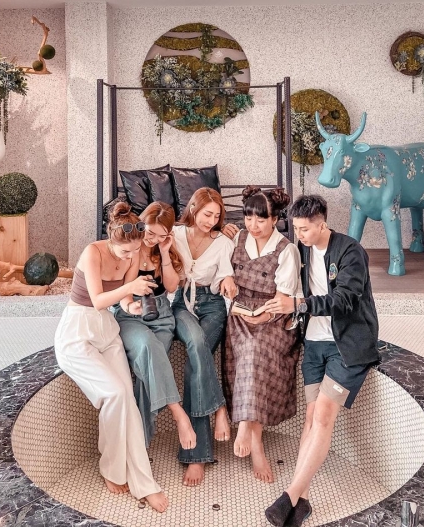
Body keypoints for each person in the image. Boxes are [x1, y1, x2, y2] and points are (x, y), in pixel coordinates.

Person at [262, 194, 380, 527]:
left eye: (304, 229)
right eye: (296, 228)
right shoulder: (300, 250)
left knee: (324, 416)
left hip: (347, 346)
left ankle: (289, 495)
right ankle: (302, 501)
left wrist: (299, 305)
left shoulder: (350, 251)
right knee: (311, 418)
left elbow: (345, 300)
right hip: (314, 344)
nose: (299, 235)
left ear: (322, 223)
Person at [54, 202, 168, 513]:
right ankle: (112, 469)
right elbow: (97, 300)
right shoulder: (92, 252)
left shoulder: (133, 255)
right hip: (78, 333)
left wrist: (134, 306)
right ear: (111, 239)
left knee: (126, 399)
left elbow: (124, 301)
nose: (131, 257)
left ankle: (144, 482)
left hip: (107, 331)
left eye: (135, 251)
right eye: (125, 252)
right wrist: (130, 285)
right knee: (115, 394)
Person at [223, 186, 301, 483]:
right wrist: (237, 304)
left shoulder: (286, 250)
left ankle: (247, 427)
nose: (253, 225)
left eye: (260, 219)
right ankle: (255, 442)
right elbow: (223, 276)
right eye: (248, 218)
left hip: (274, 316)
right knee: (248, 346)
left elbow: (283, 300)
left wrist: (262, 316)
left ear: (275, 219)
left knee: (256, 347)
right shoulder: (236, 239)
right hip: (239, 312)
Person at [114, 202, 196, 451]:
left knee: (146, 375)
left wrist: (165, 251)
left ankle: (139, 446)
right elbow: (124, 293)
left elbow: (171, 287)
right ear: (142, 224)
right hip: (131, 315)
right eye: (150, 233)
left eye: (161, 235)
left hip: (161, 316)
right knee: (149, 347)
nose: (153, 239)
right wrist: (131, 305)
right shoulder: (130, 248)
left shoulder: (163, 250)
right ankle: (178, 413)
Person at [171, 187, 238, 486]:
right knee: (196, 344)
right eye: (206, 214)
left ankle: (196, 457)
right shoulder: (174, 234)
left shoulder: (223, 241)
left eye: (216, 216)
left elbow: (226, 273)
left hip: (212, 307)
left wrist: (228, 280)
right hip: (181, 304)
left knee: (193, 364)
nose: (211, 221)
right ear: (194, 209)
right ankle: (219, 407)